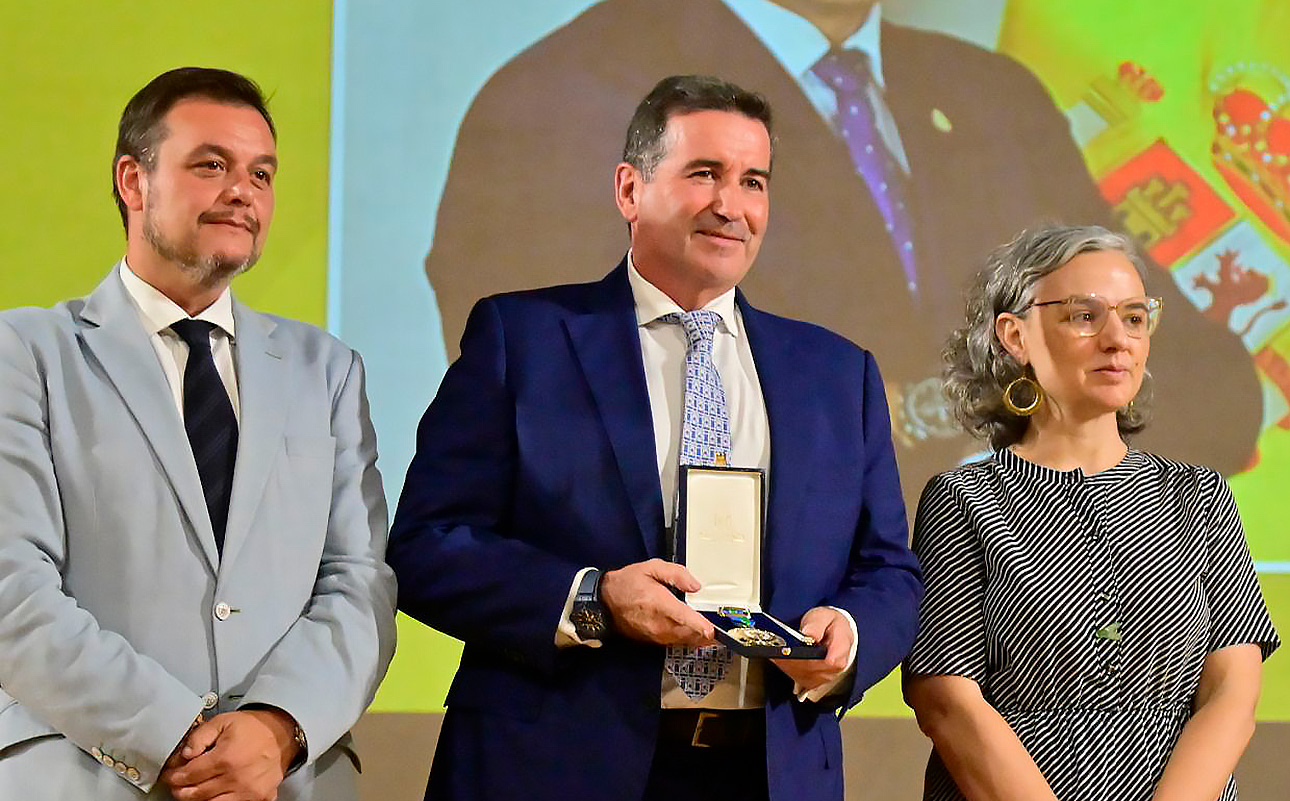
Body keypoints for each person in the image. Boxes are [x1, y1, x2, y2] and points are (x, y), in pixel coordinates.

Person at [388, 75, 923, 801]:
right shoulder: (523, 339)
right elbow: (427, 548)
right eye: (704, 173)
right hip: (552, 796)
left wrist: (847, 641)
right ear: (630, 188)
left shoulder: (836, 374)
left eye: (753, 182)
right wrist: (593, 601)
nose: (730, 205)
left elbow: (888, 570)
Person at [424, 0, 1261, 506]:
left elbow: (1209, 385)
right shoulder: (564, 93)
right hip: (732, 667)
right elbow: (566, 433)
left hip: (1022, 650)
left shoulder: (996, 97)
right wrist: (990, 415)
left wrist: (942, 426)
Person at [0, 67, 397, 801]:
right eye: (211, 165)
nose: (243, 191)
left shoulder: (326, 370)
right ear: (132, 179)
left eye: (261, 173)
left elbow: (360, 581)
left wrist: (278, 727)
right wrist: (173, 731)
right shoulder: (25, 354)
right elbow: (13, 588)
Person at [901, 225, 1279, 801]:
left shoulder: (1201, 497)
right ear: (1015, 336)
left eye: (1135, 317)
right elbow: (946, 699)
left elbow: (1232, 692)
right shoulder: (963, 499)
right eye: (1085, 316)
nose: (1119, 338)